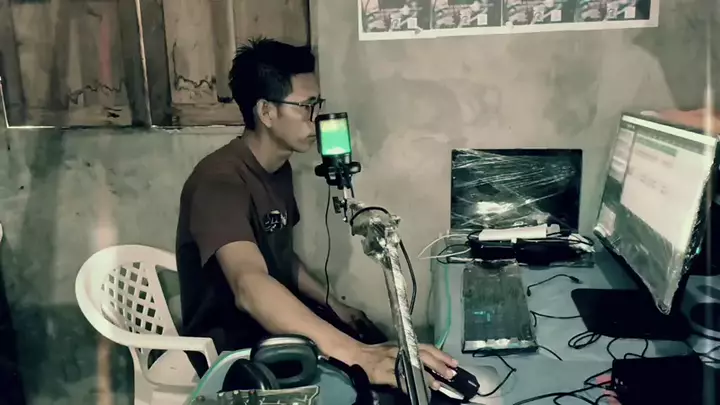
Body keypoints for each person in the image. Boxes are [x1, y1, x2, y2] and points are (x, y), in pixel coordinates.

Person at [175, 37, 458, 395]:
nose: (316, 119)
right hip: (235, 344)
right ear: (266, 112)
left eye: (317, 105)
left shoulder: (277, 169)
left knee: (375, 338)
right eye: (306, 107)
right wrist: (357, 356)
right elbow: (250, 286)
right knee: (368, 379)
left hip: (269, 323)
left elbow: (280, 257)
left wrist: (334, 305)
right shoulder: (219, 183)